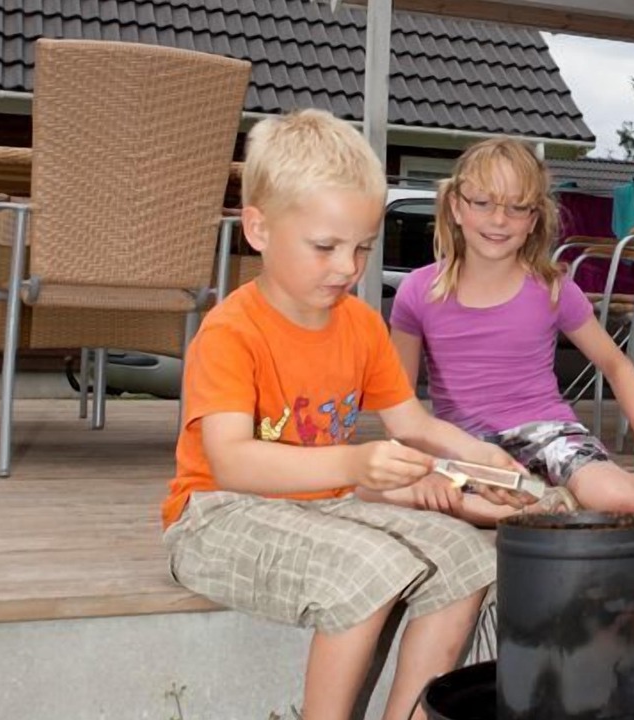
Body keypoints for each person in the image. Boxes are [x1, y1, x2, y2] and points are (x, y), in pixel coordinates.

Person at [162, 109, 510, 720]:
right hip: (216, 516)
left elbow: (414, 422)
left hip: (323, 505)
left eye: (362, 248)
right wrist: (356, 461)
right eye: (325, 247)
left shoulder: (360, 324)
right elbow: (231, 462)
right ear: (259, 228)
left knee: (468, 557)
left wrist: (481, 457)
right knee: (373, 567)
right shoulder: (230, 332)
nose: (349, 268)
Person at [389, 137, 634, 524]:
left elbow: (617, 366)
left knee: (631, 504)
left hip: (549, 434)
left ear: (533, 219)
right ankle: (549, 502)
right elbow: (399, 403)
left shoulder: (551, 288)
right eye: (482, 203)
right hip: (464, 447)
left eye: (517, 208)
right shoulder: (417, 291)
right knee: (414, 495)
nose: (499, 221)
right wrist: (424, 466)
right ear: (455, 207)